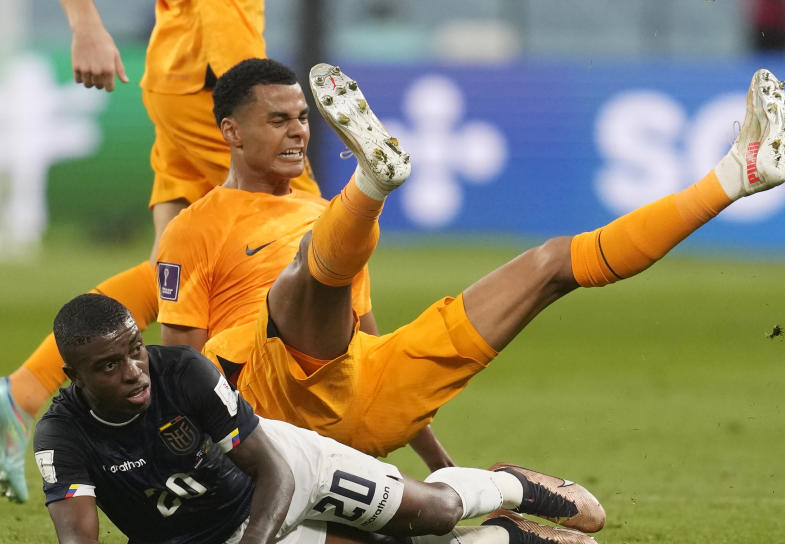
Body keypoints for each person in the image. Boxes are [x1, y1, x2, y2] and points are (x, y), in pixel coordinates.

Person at [157, 60, 785, 459]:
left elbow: (370, 343)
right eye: (278, 120)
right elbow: (181, 370)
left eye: (302, 118)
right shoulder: (194, 229)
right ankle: (374, 186)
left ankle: (735, 175)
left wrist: (440, 465)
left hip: (355, 389)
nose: (298, 131)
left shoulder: (317, 210)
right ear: (232, 133)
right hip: (264, 402)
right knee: (308, 273)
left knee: (550, 264)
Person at [1, 1, 449, 503]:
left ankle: (22, 395)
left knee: (172, 270)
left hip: (178, 64)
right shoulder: (258, 119)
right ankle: (226, 447)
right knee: (320, 251)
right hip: (216, 76)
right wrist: (85, 23)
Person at [34, 293, 604, 544]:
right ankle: (509, 535)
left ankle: (506, 486)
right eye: (109, 366)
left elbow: (272, 467)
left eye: (134, 352)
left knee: (436, 515)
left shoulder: (183, 372)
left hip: (290, 472)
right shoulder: (61, 435)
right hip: (219, 540)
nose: (134, 371)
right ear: (75, 376)